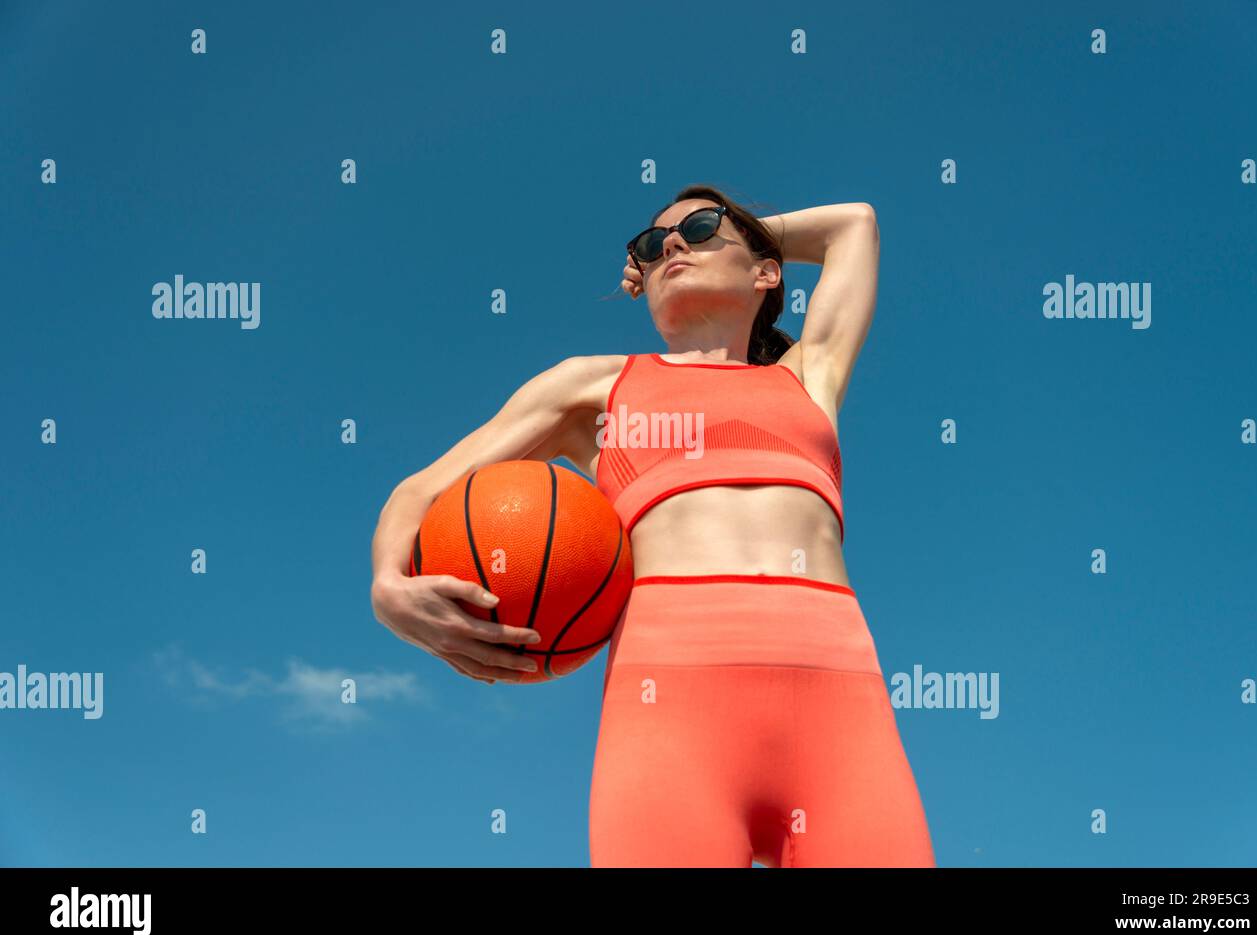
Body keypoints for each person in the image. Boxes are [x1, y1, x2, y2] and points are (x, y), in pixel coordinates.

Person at [370, 183, 936, 867]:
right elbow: (422, 489)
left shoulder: (809, 375)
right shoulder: (593, 386)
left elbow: (856, 224)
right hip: (668, 709)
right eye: (651, 241)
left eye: (698, 229)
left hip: (841, 707)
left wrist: (748, 231)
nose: (670, 243)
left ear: (767, 272)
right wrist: (386, 587)